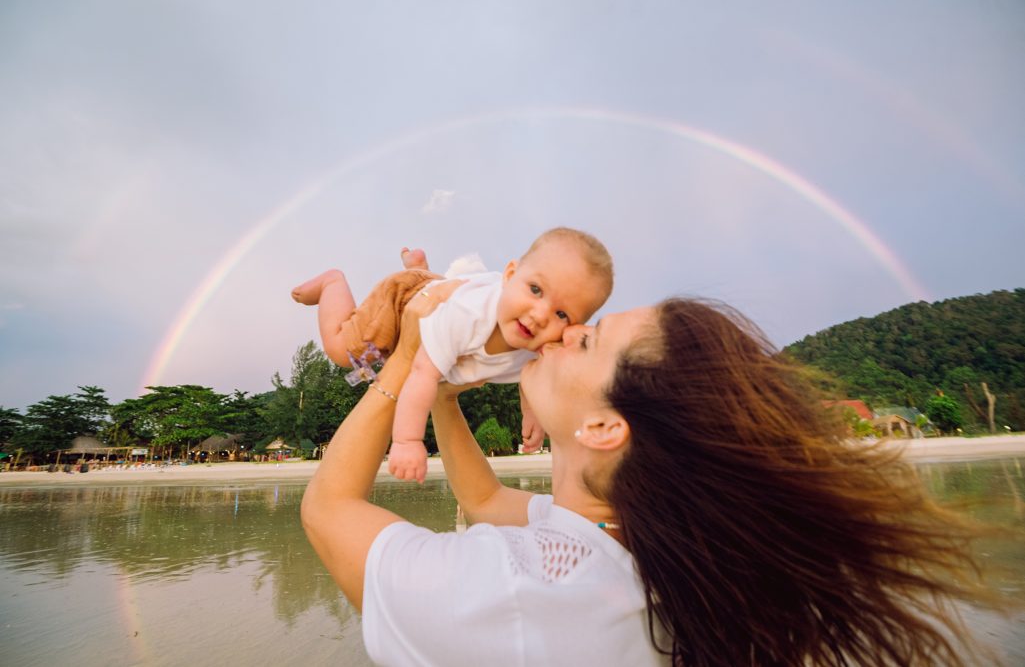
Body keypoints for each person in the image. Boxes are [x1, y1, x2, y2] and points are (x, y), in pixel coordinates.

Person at [302, 285, 1002, 666]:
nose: (561, 330)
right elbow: (482, 500)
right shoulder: (629, 548)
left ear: (605, 429)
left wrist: (408, 360)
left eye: (588, 339)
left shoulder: (518, 593)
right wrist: (444, 396)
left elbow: (328, 509)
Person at [292, 228, 613, 482]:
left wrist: (531, 412)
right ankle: (333, 283)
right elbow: (421, 374)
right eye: (536, 290)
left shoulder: (540, 346)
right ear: (510, 274)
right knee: (341, 351)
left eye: (562, 314)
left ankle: (421, 269)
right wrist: (407, 441)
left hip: (444, 293)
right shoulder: (469, 318)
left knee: (440, 305)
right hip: (405, 300)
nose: (541, 315)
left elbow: (530, 372)